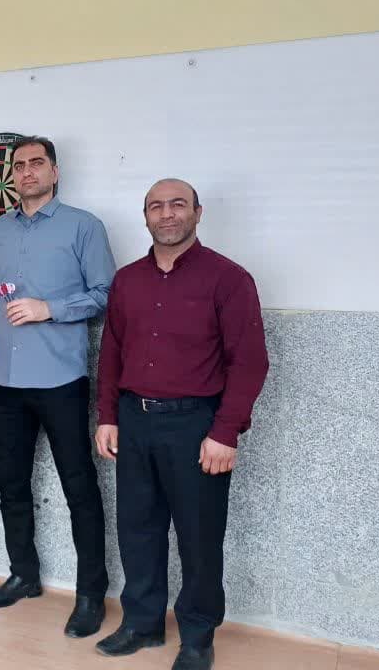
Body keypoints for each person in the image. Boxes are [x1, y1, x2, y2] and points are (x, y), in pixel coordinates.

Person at [93, 179, 269, 670]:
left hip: (197, 426)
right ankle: (141, 623)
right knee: (137, 528)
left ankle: (197, 634)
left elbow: (249, 362)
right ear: (145, 216)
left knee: (199, 535)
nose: (167, 214)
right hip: (134, 420)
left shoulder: (228, 278)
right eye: (156, 206)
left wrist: (225, 432)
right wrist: (108, 416)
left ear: (197, 212)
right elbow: (111, 353)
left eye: (177, 205)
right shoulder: (127, 280)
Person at [0, 136, 115, 637]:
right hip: (6, 381)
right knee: (11, 485)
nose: (27, 171)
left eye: (37, 163)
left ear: (54, 171)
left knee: (80, 488)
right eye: (19, 165)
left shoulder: (83, 226)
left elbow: (105, 294)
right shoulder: (0, 231)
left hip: (60, 380)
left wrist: (49, 309)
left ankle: (90, 593)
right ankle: (23, 574)